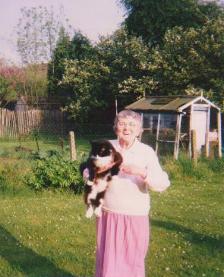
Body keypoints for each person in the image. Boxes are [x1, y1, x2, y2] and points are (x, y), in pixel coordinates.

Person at [84, 110, 170, 277]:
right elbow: (88, 170)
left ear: (139, 130)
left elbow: (162, 183)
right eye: (122, 124)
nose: (126, 128)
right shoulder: (106, 146)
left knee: (131, 262)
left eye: (132, 125)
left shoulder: (146, 152)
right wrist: (94, 173)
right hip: (108, 214)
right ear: (116, 127)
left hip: (134, 216)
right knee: (107, 261)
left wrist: (142, 172)